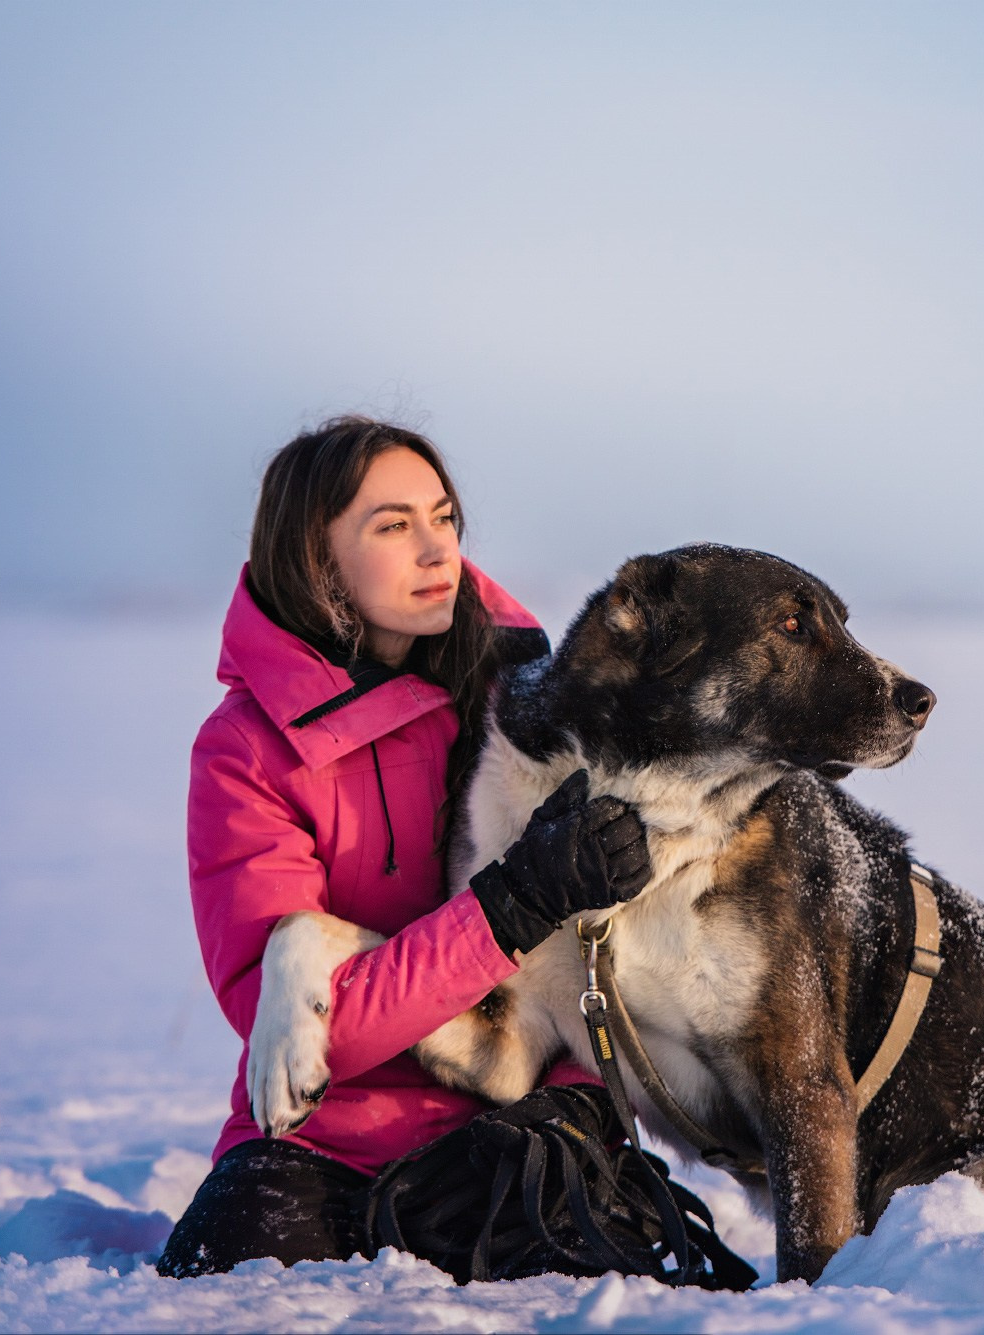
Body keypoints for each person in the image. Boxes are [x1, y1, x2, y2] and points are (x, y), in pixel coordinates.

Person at [157, 417, 652, 1277]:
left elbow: (609, 961)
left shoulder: (525, 704)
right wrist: (505, 911)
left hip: (511, 1126)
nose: (437, 550)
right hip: (320, 1141)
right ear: (314, 554)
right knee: (229, 1286)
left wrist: (578, 1110)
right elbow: (322, 1032)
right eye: (393, 525)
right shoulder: (245, 750)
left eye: (445, 516)